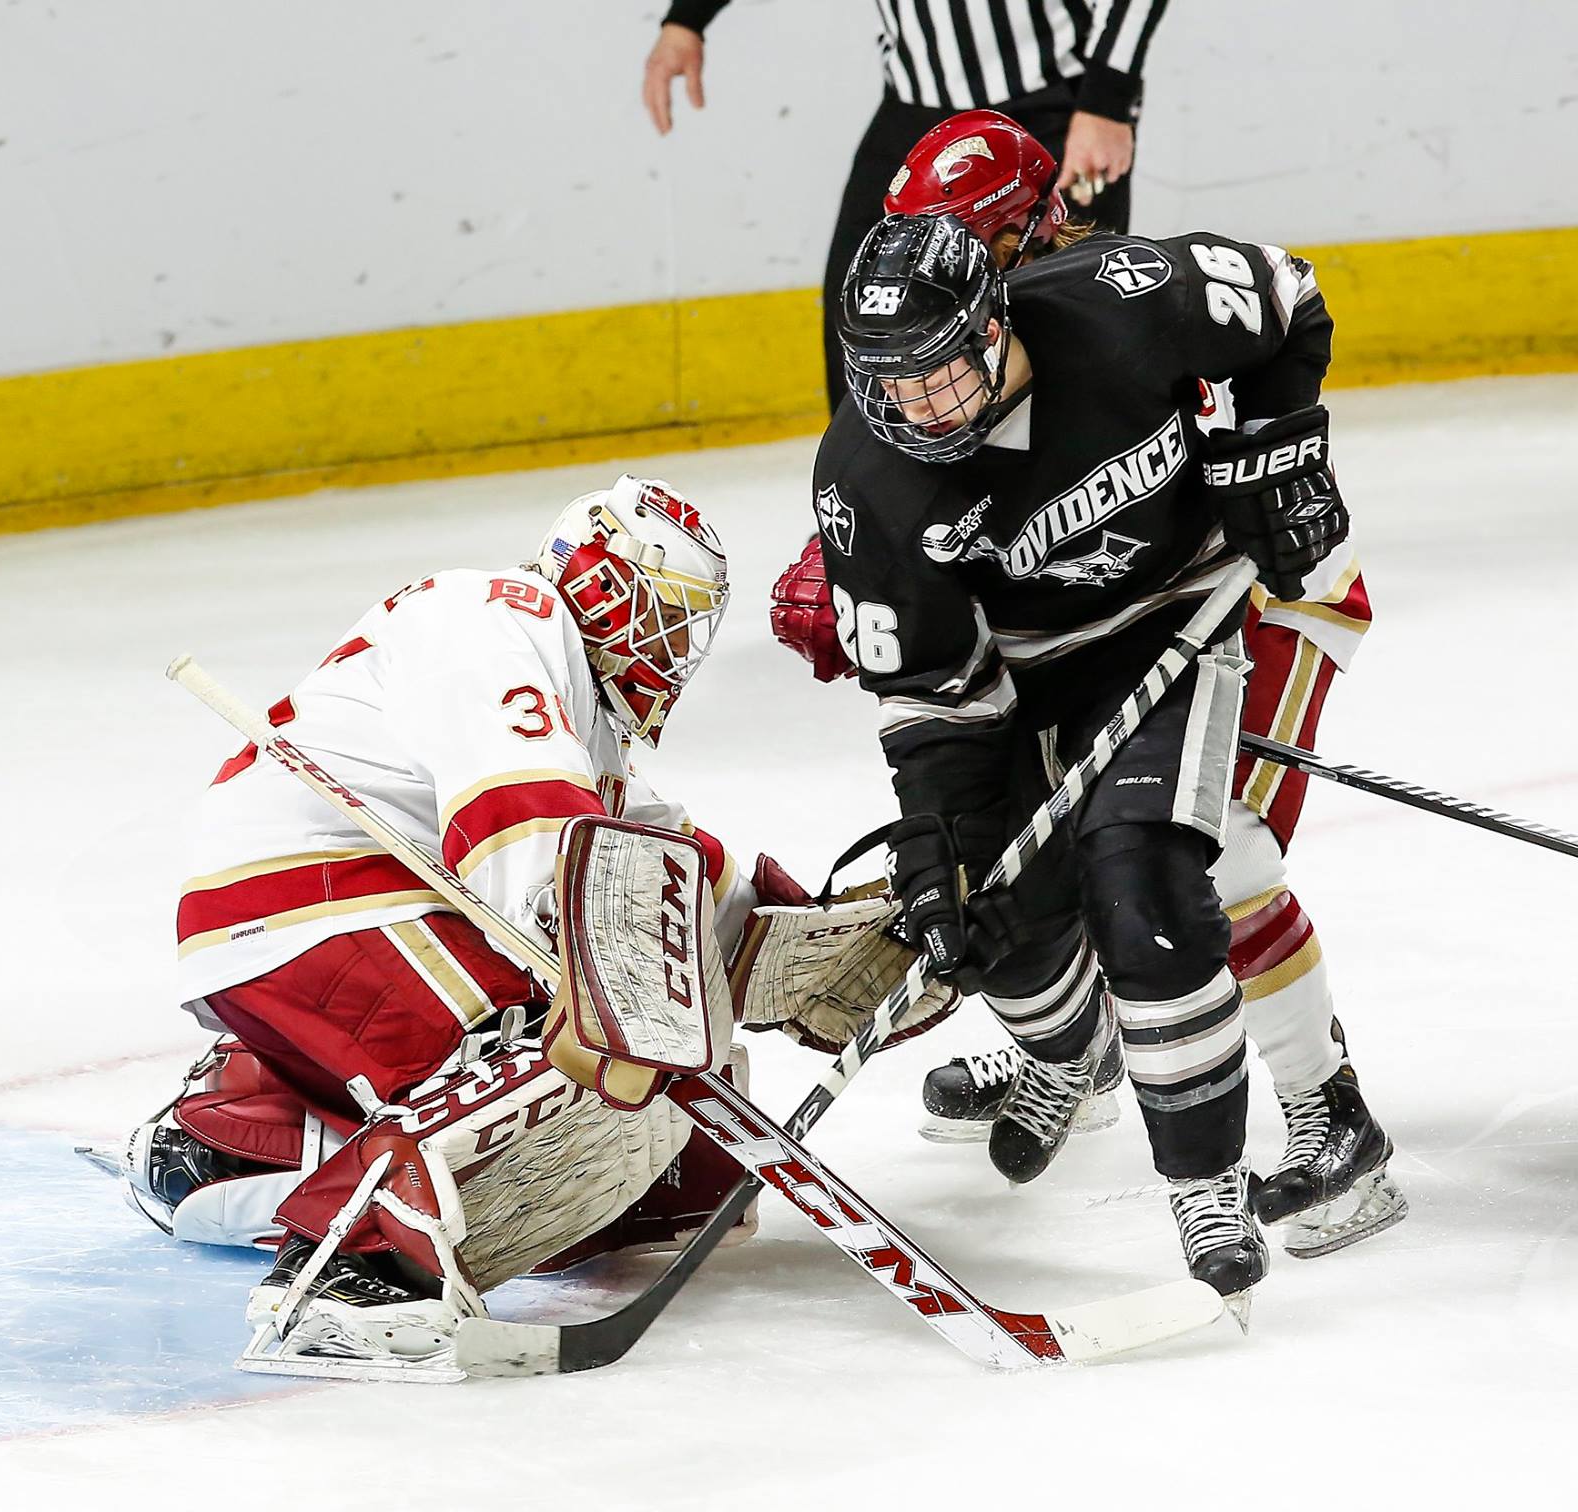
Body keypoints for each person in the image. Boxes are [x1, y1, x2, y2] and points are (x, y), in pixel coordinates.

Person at [99, 475, 953, 1371]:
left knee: (684, 1168)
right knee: (575, 1055)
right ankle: (353, 1271)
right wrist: (627, 1000)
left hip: (355, 918)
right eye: (665, 612)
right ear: (600, 584)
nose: (677, 647)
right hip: (310, 899)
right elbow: (536, 854)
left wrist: (846, 948)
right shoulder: (499, 617)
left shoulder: (584, 725)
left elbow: (674, 879)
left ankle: (245, 1131)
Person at [778, 112, 1402, 1264]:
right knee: (1032, 864)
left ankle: (1329, 1112)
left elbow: (1278, 315)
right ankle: (1077, 1042)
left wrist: (1282, 459)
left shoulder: (1116, 298)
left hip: (1241, 586)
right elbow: (936, 659)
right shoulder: (917, 391)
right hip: (1071, 641)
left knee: (1216, 844)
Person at [643, 1, 1171, 409]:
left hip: (1051, 102)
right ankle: (867, 516)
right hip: (915, 111)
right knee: (865, 322)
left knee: (1067, 325)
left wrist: (1108, 98)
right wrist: (686, 21)